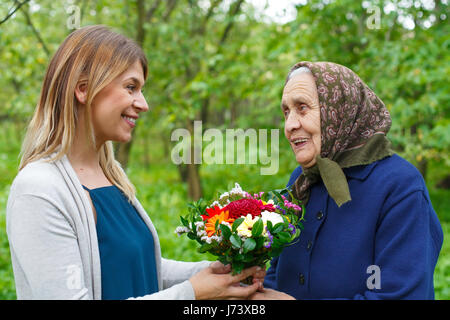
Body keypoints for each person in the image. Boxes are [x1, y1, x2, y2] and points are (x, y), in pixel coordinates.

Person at [6, 25, 265, 300]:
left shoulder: (111, 176)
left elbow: (136, 266)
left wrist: (214, 274)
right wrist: (190, 293)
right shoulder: (39, 190)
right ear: (83, 89)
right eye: (131, 87)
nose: (143, 103)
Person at [251, 61, 443, 300]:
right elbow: (278, 274)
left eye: (302, 108)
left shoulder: (399, 186)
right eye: (286, 112)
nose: (290, 125)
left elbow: (401, 295)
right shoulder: (301, 180)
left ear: (340, 110)